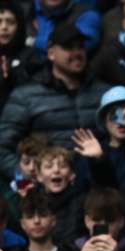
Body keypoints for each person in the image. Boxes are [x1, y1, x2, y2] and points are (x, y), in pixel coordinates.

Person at [0, 23, 108, 180]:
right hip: (47, 192)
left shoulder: (105, 93)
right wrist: (24, 176)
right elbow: (2, 146)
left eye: (80, 47)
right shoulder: (26, 96)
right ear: (51, 54)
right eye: (69, 47)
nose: (77, 53)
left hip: (95, 190)